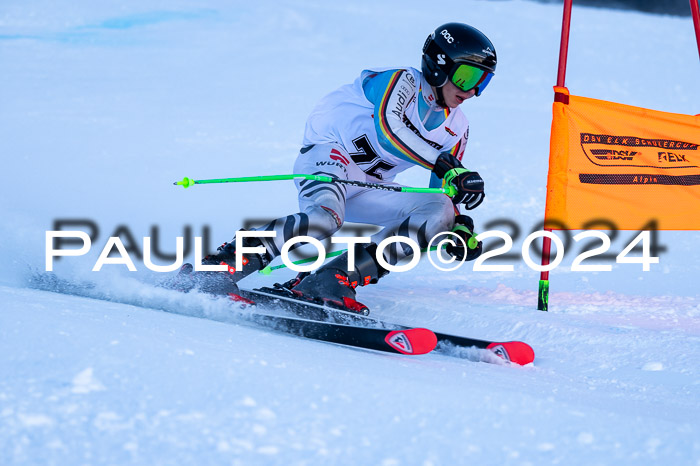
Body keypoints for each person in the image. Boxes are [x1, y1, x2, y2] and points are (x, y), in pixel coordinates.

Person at [178, 22, 497, 313]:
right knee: (324, 220)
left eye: (481, 82)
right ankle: (219, 268)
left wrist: (457, 224)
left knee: (438, 210)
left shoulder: (458, 126)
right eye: (466, 77)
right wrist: (446, 164)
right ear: (439, 65)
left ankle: (332, 279)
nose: (471, 92)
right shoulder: (402, 81)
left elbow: (440, 190)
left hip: (370, 186)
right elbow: (390, 130)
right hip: (328, 156)